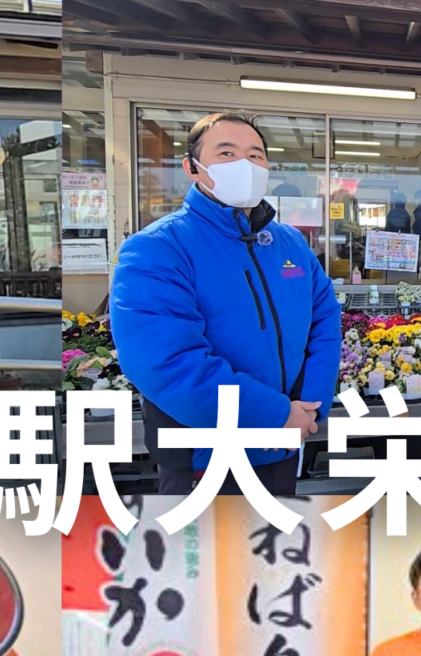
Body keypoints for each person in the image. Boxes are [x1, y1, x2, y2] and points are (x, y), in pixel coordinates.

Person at [111, 111, 341, 496]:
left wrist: (307, 407)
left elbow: (325, 320)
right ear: (193, 168)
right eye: (227, 153)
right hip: (204, 458)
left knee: (272, 551)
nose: (245, 166)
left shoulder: (289, 243)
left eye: (255, 156)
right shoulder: (159, 248)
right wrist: (277, 414)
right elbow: (168, 364)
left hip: (282, 446)